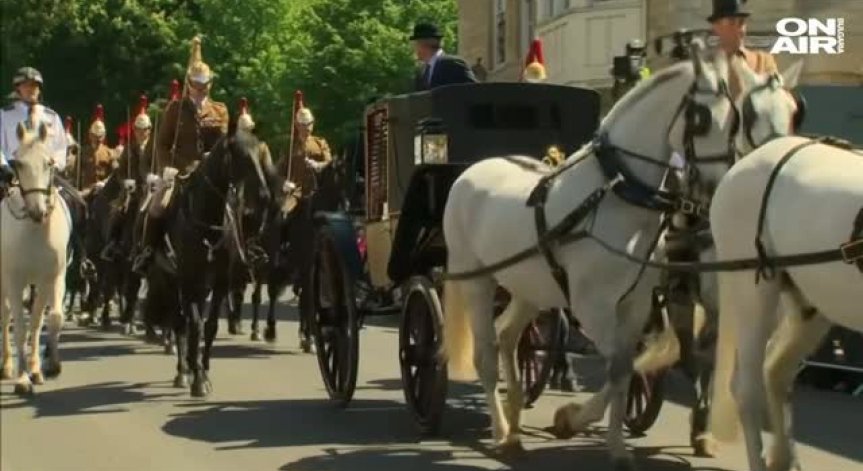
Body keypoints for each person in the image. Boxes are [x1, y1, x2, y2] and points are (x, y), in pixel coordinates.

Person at [133, 36, 229, 274]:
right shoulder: (175, 109)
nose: (200, 89)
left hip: (209, 174)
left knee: (237, 206)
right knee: (157, 205)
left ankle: (243, 254)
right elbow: (162, 143)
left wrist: (213, 158)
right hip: (180, 171)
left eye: (204, 84)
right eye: (196, 84)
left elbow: (224, 144)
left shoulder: (220, 110)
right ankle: (148, 250)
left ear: (210, 84)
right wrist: (167, 167)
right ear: (189, 84)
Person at [0, 66, 92, 272]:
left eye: (35, 86)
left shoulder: (51, 117)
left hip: (44, 175)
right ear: (18, 88)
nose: (31, 89)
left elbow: (60, 147)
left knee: (78, 202)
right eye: (26, 85)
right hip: (11, 174)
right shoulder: (4, 115)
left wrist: (54, 165)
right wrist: (4, 166)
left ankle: (80, 256)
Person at [100, 96, 153, 261]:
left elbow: (159, 165)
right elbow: (121, 171)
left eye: (144, 129)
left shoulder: (155, 148)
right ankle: (112, 243)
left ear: (149, 130)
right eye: (137, 129)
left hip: (150, 189)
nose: (140, 133)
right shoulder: (129, 147)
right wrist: (125, 182)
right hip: (132, 190)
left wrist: (154, 179)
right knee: (119, 211)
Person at [708, 0, 778, 101]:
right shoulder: (706, 66)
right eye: (731, 22)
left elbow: (778, 99)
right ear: (716, 27)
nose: (740, 29)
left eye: (741, 23)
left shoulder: (763, 61)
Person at [410, 22, 477, 91]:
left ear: (424, 44)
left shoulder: (453, 64)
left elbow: (474, 91)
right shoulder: (422, 72)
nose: (414, 49)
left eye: (415, 45)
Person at [79, 104, 117, 196]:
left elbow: (115, 172)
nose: (98, 139)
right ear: (90, 135)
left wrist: (105, 182)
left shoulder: (110, 153)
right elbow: (75, 174)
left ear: (104, 136)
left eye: (100, 136)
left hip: (103, 191)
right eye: (95, 136)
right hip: (85, 191)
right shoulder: (82, 152)